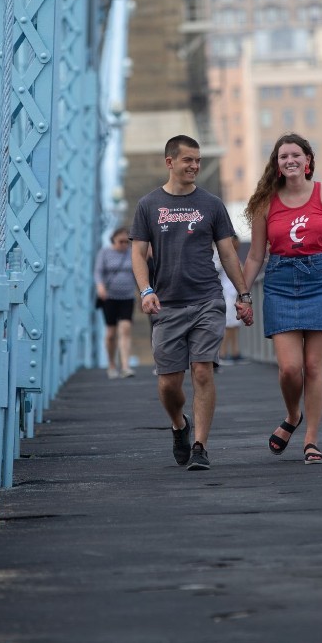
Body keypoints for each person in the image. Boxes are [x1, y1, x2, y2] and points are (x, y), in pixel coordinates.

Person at [130, 135, 254, 471]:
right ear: (170, 162)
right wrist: (146, 290)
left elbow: (227, 252)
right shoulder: (149, 204)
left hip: (206, 299)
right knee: (169, 383)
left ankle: (201, 446)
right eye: (188, 160)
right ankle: (179, 425)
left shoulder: (212, 204)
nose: (195, 166)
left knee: (202, 371)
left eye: (198, 160)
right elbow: (138, 253)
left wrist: (243, 296)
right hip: (167, 304)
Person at [240, 133, 322, 466]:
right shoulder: (266, 202)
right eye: (283, 157)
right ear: (277, 165)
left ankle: (311, 439)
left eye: (296, 155)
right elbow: (254, 256)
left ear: (308, 160)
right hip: (281, 282)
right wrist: (243, 294)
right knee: (289, 369)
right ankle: (292, 414)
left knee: (313, 367)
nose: (290, 160)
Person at [95, 227, 137, 378]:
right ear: (113, 240)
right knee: (111, 333)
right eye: (121, 242)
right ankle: (112, 364)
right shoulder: (105, 253)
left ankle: (125, 366)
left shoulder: (132, 253)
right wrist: (100, 287)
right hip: (109, 298)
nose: (124, 245)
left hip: (127, 297)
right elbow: (98, 272)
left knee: (125, 329)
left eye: (127, 242)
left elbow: (139, 271)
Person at [213, 235, 243, 366]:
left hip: (233, 292)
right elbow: (217, 268)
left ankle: (235, 352)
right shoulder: (218, 252)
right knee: (228, 324)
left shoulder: (231, 254)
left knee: (234, 324)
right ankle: (223, 354)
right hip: (225, 292)